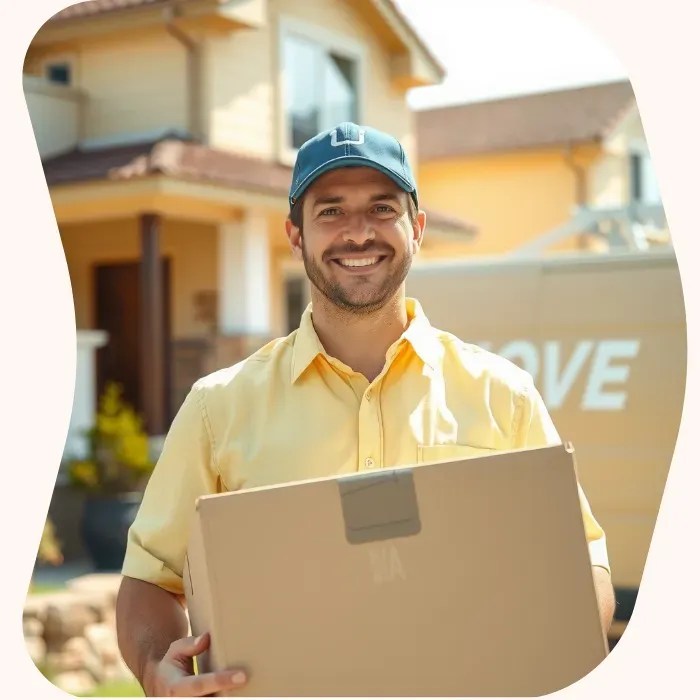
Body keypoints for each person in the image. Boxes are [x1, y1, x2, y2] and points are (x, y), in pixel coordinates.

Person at [115, 122, 615, 697]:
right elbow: (150, 580)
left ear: (417, 227)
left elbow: (580, 560)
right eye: (330, 211)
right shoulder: (218, 407)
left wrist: (561, 654)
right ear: (296, 235)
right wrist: (158, 669)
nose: (358, 233)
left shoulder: (504, 395)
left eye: (382, 208)